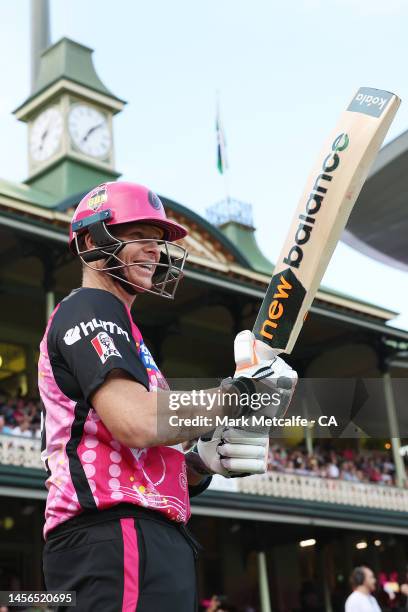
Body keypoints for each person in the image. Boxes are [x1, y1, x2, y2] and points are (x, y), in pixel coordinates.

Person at [39, 182, 297, 611]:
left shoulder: (128, 334)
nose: (154, 250)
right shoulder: (89, 307)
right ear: (91, 240)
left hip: (144, 538)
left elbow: (144, 452)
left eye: (157, 241)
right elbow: (137, 422)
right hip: (112, 536)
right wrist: (242, 393)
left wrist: (198, 463)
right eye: (139, 235)